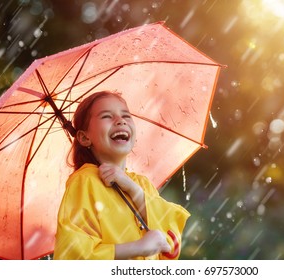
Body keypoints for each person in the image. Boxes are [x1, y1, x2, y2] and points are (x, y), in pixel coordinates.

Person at [53, 90, 190, 260]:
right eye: (106, 116)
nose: (120, 121)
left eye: (126, 116)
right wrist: (137, 248)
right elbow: (74, 254)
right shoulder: (85, 181)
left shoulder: (141, 184)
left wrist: (134, 190)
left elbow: (170, 246)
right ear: (83, 137)